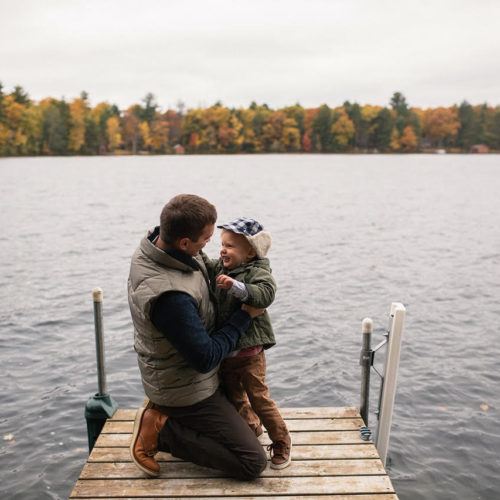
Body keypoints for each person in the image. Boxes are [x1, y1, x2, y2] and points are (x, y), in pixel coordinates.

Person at [127, 194, 268, 480]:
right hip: (187, 390)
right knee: (252, 462)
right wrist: (245, 315)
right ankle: (162, 428)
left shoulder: (160, 245)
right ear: (184, 242)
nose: (210, 244)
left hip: (178, 374)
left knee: (248, 416)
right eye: (205, 238)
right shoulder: (170, 297)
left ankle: (165, 415)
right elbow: (204, 359)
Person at [213, 217, 291, 469]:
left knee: (258, 397)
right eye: (222, 244)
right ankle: (250, 427)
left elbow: (265, 293)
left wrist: (237, 287)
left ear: (250, 252)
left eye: (230, 246)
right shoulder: (221, 268)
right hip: (228, 354)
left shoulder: (257, 271)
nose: (223, 250)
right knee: (234, 396)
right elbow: (204, 263)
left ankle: (281, 439)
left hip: (250, 354)